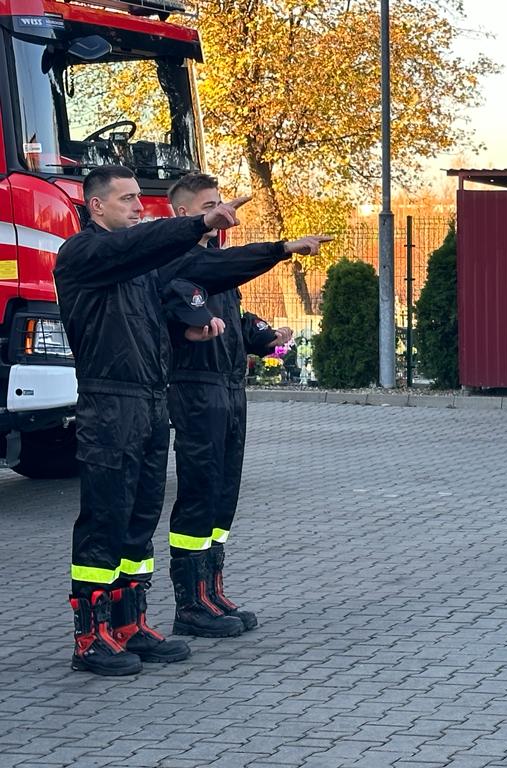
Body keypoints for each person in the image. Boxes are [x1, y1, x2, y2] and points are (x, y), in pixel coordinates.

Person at [55, 165, 249, 676]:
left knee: (140, 518)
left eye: (140, 197)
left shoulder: (139, 268)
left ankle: (128, 624)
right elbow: (137, 245)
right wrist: (197, 224)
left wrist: (188, 333)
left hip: (149, 402)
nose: (140, 206)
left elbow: (169, 300)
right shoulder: (84, 252)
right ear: (96, 206)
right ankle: (90, 637)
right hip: (110, 405)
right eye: (127, 199)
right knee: (105, 519)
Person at [158, 172, 330, 639]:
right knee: (200, 493)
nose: (221, 212)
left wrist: (264, 338)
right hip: (197, 390)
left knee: (223, 494)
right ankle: (190, 604)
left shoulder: (215, 263)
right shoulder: (179, 258)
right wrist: (283, 248)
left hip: (230, 388)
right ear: (182, 213)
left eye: (221, 203)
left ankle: (211, 591)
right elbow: (219, 276)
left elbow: (231, 317)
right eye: (209, 205)